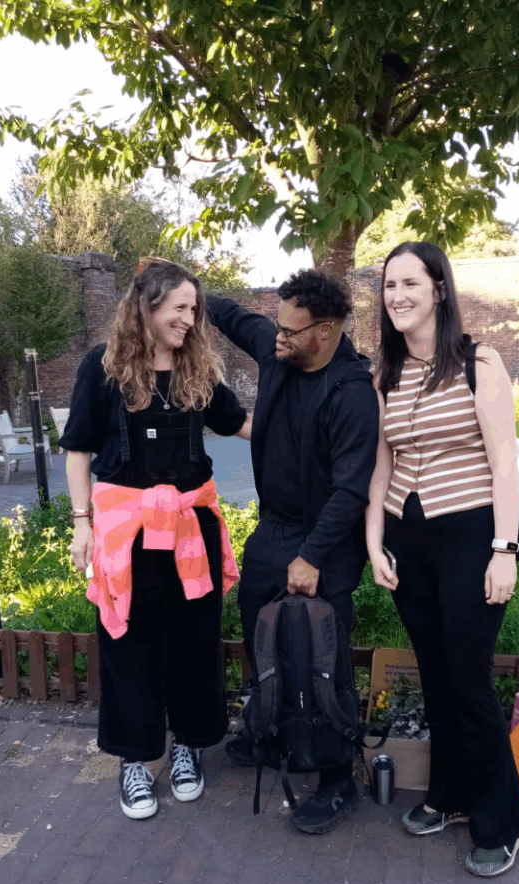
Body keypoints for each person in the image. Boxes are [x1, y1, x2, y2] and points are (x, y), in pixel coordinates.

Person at [60, 258, 251, 820]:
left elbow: (240, 422)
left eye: (194, 309)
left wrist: (305, 428)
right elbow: (78, 449)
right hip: (128, 536)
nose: (189, 320)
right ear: (148, 305)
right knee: (130, 649)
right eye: (180, 308)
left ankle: (188, 746)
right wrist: (81, 524)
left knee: (195, 643)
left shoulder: (197, 368)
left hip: (192, 529)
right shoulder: (104, 368)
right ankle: (136, 760)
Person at [366, 241, 519, 877]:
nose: (398, 296)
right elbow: (384, 463)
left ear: (439, 289)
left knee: (466, 679)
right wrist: (374, 539)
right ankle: (449, 795)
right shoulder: (388, 374)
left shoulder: (476, 362)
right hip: (411, 542)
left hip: (472, 537)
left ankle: (503, 820)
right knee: (436, 676)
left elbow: (505, 463)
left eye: (411, 283)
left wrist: (505, 550)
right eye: (389, 287)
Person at [206, 270, 379, 835]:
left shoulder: (351, 393)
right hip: (273, 530)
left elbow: (352, 488)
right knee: (260, 628)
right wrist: (182, 286)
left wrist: (311, 556)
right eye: (277, 325)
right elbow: (234, 318)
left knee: (320, 653)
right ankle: (270, 733)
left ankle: (336, 779)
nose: (277, 336)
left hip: (323, 539)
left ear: (324, 331)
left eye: (291, 329)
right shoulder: (279, 349)